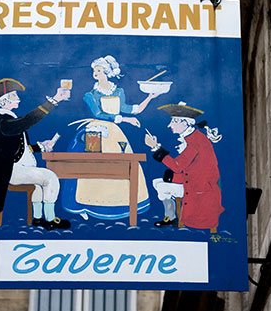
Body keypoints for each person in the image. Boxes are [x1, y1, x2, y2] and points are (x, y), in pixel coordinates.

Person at [61, 55, 160, 220]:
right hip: (97, 132)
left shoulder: (119, 92)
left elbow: (130, 109)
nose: (95, 74)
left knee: (124, 166)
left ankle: (120, 206)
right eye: (94, 71)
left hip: (115, 134)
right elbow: (99, 114)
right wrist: (125, 120)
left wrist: (149, 98)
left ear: (107, 72)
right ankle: (86, 204)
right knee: (92, 165)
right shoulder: (90, 95)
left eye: (99, 71)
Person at [0, 78, 71, 230]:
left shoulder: (9, 119)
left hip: (16, 168)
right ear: (4, 101)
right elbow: (27, 121)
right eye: (14, 95)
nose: (18, 98)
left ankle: (38, 219)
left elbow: (20, 148)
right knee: (50, 177)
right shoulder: (0, 121)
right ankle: (51, 219)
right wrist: (54, 100)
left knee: (39, 184)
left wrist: (41, 146)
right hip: (9, 171)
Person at [144, 102, 224, 230]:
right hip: (195, 181)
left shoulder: (194, 142)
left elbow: (177, 166)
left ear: (184, 123)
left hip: (199, 189)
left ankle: (171, 218)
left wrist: (155, 147)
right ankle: (170, 217)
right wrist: (174, 177)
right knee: (157, 182)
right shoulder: (195, 138)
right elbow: (192, 168)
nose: (169, 125)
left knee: (161, 185)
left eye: (173, 122)